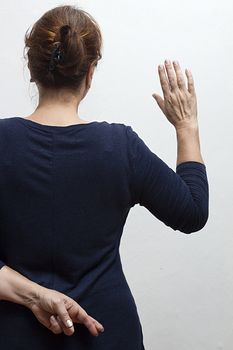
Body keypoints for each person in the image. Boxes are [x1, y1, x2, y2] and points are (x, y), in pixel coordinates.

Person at [0, 4, 209, 350]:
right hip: (107, 335)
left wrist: (34, 295)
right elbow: (192, 212)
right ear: (90, 72)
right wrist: (186, 126)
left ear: (32, 70)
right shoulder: (119, 146)